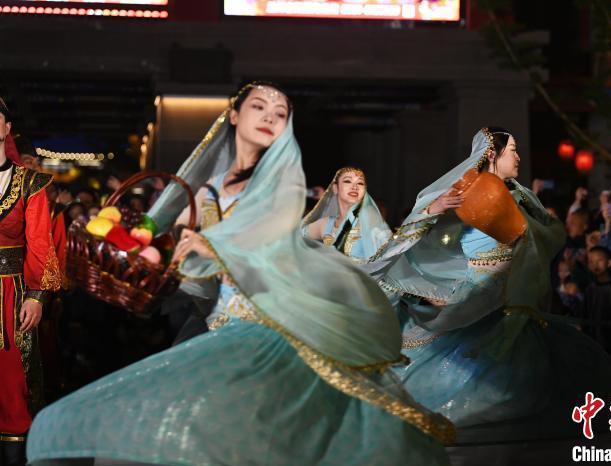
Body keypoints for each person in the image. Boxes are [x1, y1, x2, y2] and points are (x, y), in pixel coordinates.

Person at [26, 82, 453, 466]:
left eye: (280, 113)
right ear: (233, 115)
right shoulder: (211, 184)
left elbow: (271, 243)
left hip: (264, 326)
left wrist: (208, 247)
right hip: (215, 322)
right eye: (258, 107)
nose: (269, 117)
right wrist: (136, 240)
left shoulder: (283, 182)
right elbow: (174, 236)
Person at [366, 127, 611, 443]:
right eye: (512, 150)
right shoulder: (466, 190)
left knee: (533, 381)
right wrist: (433, 211)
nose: (518, 157)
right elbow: (418, 233)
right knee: (492, 387)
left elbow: (547, 237)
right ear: (492, 153)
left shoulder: (520, 196)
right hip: (480, 299)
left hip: (510, 300)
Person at [0, 98, 61, 466]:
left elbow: (40, 242)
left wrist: (36, 295)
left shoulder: (30, 182)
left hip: (9, 291)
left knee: (12, 378)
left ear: (7, 128)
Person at [302, 166, 392, 262]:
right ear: (335, 188)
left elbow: (389, 252)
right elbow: (293, 238)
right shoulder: (325, 224)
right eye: (348, 181)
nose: (355, 187)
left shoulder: (369, 216)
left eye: (360, 183)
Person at [583, 246, 611, 362]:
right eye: (591, 261)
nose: (595, 264)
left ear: (609, 263)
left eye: (599, 260)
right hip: (593, 338)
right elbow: (585, 313)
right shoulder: (590, 288)